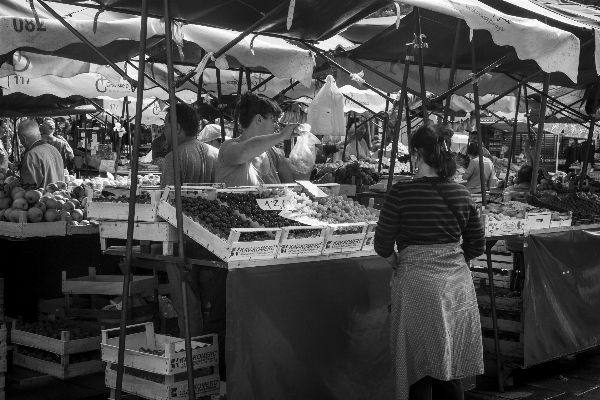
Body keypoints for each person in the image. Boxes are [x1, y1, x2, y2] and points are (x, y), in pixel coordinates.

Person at [374, 124, 484, 400]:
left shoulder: (401, 193)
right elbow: (476, 245)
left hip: (415, 287)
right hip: (456, 289)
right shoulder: (463, 195)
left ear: (417, 155)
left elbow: (382, 245)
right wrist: (450, 261)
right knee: (449, 369)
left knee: (417, 369)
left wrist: (400, 262)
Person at [215, 92, 296, 187]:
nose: (277, 126)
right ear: (259, 119)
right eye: (274, 121)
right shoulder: (228, 148)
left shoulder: (275, 154)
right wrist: (281, 135)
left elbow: (292, 187)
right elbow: (244, 151)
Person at [160, 103, 218, 188]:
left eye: (165, 126)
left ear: (176, 127)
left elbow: (167, 197)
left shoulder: (174, 158)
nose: (164, 131)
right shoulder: (216, 154)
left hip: (183, 201)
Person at [17, 120, 64, 188]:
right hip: (58, 197)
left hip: (41, 198)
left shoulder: (31, 155)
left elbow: (28, 187)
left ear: (23, 138)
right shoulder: (54, 149)